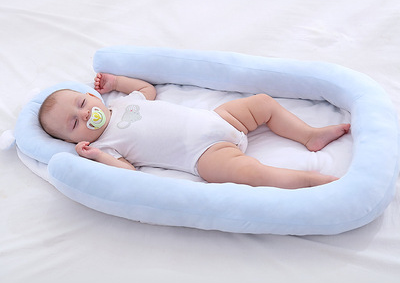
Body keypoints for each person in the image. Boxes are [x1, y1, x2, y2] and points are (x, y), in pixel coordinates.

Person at [39, 73, 350, 189]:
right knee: (254, 174)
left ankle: (309, 135)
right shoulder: (106, 145)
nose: (85, 115)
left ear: (93, 96)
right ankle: (308, 181)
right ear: (73, 139)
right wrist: (95, 156)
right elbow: (128, 172)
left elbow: (148, 90)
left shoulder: (123, 103)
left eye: (82, 104)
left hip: (219, 119)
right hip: (204, 155)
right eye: (74, 123)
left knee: (263, 103)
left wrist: (117, 83)